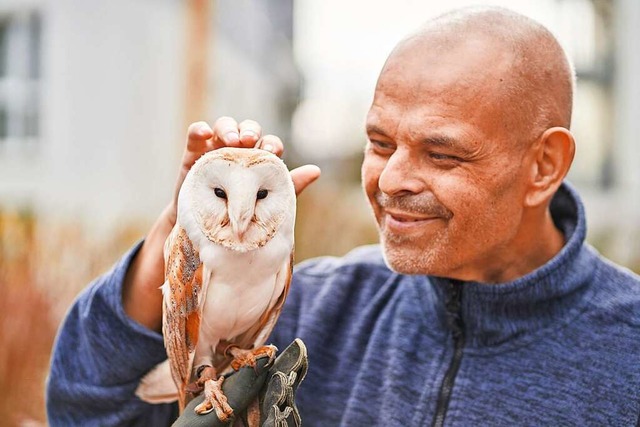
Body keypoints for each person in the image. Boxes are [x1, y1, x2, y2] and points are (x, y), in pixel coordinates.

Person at [47, 6, 640, 426]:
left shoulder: (626, 351)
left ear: (544, 165)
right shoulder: (309, 309)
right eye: (380, 144)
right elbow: (88, 409)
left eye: (441, 153)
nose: (391, 179)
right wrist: (181, 229)